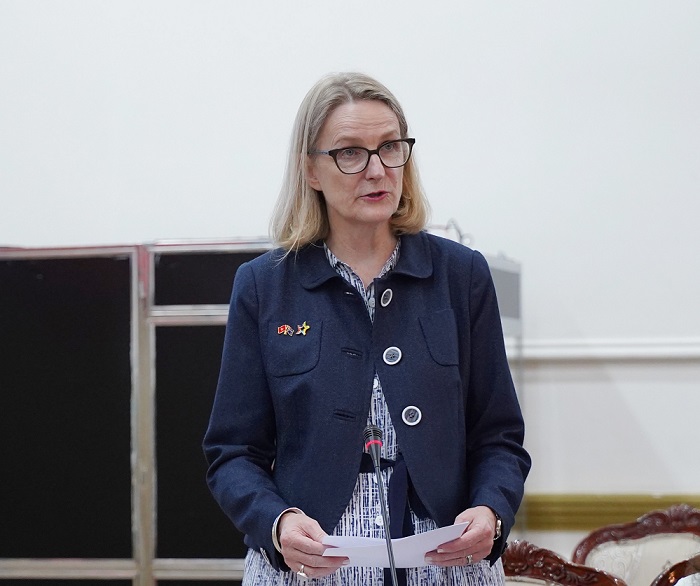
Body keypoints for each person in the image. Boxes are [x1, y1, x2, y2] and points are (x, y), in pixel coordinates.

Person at [203, 71, 531, 585]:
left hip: (447, 564)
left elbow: (500, 437)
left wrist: (491, 510)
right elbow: (232, 454)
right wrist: (277, 524)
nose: (377, 170)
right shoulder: (264, 286)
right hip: (310, 567)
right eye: (350, 153)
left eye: (390, 148)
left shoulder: (461, 275)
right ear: (310, 170)